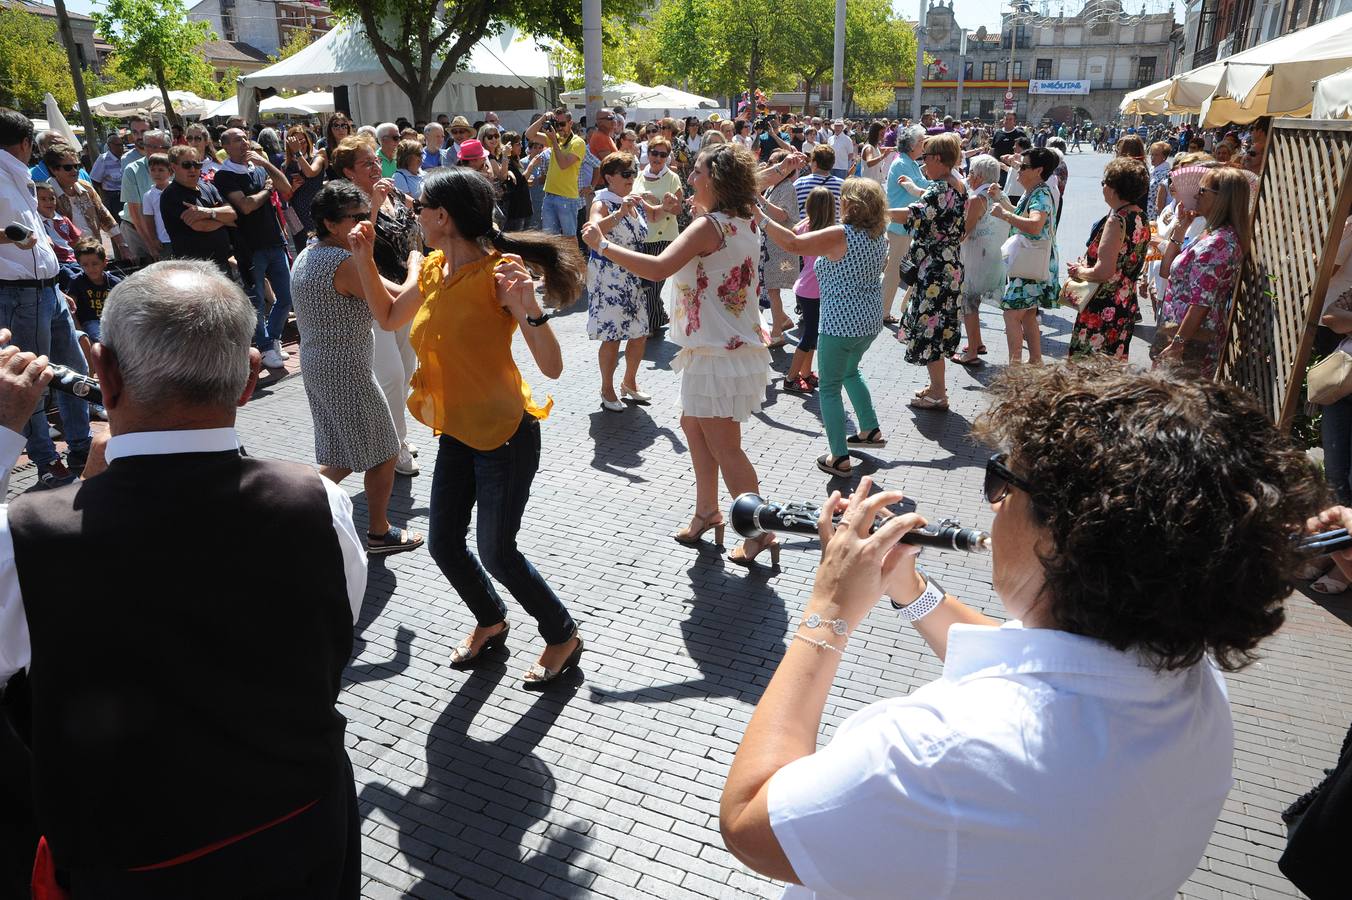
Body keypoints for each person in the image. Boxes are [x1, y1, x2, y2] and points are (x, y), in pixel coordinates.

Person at [720, 361, 1324, 900]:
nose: (993, 503)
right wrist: (908, 589)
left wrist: (828, 607)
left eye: (1003, 481)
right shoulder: (1191, 680)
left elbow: (749, 822)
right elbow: (1036, 663)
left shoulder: (938, 753)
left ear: (1062, 534)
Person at [0, 260, 366, 898]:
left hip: (135, 866)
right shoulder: (318, 500)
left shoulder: (25, 538)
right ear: (251, 380)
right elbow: (331, 628)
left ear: (103, 371)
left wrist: (4, 434)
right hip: (304, 828)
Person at [348, 167, 587, 686]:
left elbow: (551, 367)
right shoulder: (434, 268)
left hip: (506, 433)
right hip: (457, 430)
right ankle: (491, 619)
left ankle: (561, 634)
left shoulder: (501, 274)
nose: (415, 213)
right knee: (444, 544)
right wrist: (364, 260)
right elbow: (389, 316)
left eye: (422, 206)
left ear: (443, 216)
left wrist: (530, 309)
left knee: (498, 551)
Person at [582, 144, 774, 567]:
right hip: (719, 345)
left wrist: (603, 244)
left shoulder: (710, 225)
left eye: (698, 172)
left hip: (717, 349)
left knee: (727, 447)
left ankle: (760, 530)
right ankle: (707, 511)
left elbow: (657, 268)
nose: (690, 179)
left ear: (716, 180)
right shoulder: (743, 218)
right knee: (693, 426)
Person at [290, 182, 423, 556]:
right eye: (358, 217)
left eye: (368, 215)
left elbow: (389, 293)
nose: (367, 223)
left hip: (320, 364)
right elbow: (396, 305)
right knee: (382, 452)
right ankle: (378, 533)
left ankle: (293, 507)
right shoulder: (343, 262)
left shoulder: (310, 252)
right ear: (331, 224)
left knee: (342, 455)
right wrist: (417, 267)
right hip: (345, 370)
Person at [762, 178, 889, 476]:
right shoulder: (877, 234)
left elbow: (792, 243)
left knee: (829, 389)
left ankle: (839, 457)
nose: (839, 202)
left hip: (840, 324)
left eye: (843, 198)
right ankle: (869, 430)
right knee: (850, 372)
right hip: (868, 322)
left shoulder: (840, 235)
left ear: (852, 204)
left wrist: (760, 218)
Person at [0, 112, 91, 487]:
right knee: (32, 381)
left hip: (46, 290)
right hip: (20, 295)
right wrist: (11, 237)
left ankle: (81, 447)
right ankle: (46, 461)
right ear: (25, 143)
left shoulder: (19, 175)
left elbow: (33, 232)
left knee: (73, 369)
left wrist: (54, 283)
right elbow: (17, 232)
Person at [331, 136, 422, 478]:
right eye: (366, 163)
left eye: (375, 161)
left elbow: (412, 229)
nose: (375, 167)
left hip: (404, 293)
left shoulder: (392, 193)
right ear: (348, 172)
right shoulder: (346, 203)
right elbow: (357, 239)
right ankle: (394, 446)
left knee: (407, 370)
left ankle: (398, 435)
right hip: (371, 295)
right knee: (390, 375)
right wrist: (373, 203)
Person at [890, 132, 966, 411]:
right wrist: (913, 188)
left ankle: (938, 394)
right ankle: (937, 387)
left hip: (934, 270)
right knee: (940, 328)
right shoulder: (956, 184)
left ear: (939, 159)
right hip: (949, 266)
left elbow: (913, 214)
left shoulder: (939, 189)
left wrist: (877, 211)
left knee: (931, 330)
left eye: (926, 158)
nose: (923, 164)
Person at [1154, 166, 1252, 378]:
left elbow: (1201, 303)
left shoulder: (1218, 243)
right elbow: (1166, 270)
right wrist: (1180, 228)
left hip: (1190, 342)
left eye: (1202, 191)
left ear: (1221, 198)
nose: (1196, 195)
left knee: (1177, 403)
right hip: (1181, 333)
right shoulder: (1211, 234)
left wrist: (1178, 345)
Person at [215, 128, 296, 370]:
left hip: (274, 241)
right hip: (250, 247)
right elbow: (246, 206)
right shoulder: (224, 175)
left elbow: (286, 188)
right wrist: (267, 190)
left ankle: (273, 338)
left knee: (286, 296)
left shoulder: (258, 168)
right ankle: (264, 346)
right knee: (257, 301)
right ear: (226, 147)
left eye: (245, 137)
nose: (244, 142)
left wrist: (267, 165)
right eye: (237, 139)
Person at [586, 152, 657, 410]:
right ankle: (607, 388)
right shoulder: (603, 202)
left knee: (639, 333)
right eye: (626, 174)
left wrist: (667, 205)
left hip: (633, 275)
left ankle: (630, 383)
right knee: (613, 336)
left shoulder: (631, 200)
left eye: (633, 173)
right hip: (609, 278)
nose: (631, 178)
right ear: (609, 177)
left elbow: (655, 219)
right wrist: (620, 212)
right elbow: (592, 231)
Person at [1066, 157, 1151, 361]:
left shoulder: (1117, 221)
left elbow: (1104, 272)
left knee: (1087, 369)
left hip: (1103, 305)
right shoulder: (1141, 216)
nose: (1102, 186)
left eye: (1104, 182)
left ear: (1114, 189)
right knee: (1111, 366)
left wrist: (1078, 271)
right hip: (1124, 303)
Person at [989, 147, 1061, 365]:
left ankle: (1015, 367)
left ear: (1039, 170)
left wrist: (1005, 215)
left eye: (1024, 166)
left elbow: (1035, 224)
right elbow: (1021, 214)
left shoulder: (1040, 194)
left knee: (1011, 313)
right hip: (1030, 261)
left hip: (1031, 263)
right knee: (1028, 314)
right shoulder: (1035, 191)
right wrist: (1000, 198)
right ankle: (1035, 360)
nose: (1018, 169)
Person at [952, 154, 1006, 367]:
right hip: (992, 254)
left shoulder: (977, 199)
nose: (969, 177)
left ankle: (972, 351)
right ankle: (978, 343)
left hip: (976, 256)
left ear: (980, 176)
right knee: (972, 302)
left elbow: (965, 230)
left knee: (968, 302)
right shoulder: (998, 195)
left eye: (972, 173)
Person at [778, 187, 833, 395]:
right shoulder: (827, 232)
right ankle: (791, 378)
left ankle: (806, 372)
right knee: (810, 335)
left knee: (812, 333)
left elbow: (791, 235)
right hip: (814, 290)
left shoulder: (805, 226)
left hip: (805, 286)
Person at [159, 145, 238, 276]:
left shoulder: (208, 187)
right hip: (195, 270)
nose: (193, 169)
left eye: (197, 164)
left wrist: (207, 213)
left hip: (221, 263)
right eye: (186, 165)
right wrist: (223, 219)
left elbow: (232, 214)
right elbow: (201, 225)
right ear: (174, 167)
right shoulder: (171, 194)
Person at [882, 125, 930, 327]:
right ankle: (883, 312)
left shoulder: (908, 162)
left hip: (904, 225)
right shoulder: (903, 163)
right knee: (893, 271)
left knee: (896, 270)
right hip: (900, 226)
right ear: (912, 145)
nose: (924, 145)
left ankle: (888, 310)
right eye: (921, 141)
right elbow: (919, 188)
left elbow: (919, 183)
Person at [756, 149, 805, 347]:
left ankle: (777, 333)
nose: (769, 166)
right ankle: (782, 320)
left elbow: (783, 216)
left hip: (779, 247)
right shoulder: (774, 186)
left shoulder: (786, 188)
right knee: (770, 287)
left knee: (773, 289)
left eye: (774, 163)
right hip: (770, 246)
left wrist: (759, 200)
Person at [636, 135, 684, 337]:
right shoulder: (638, 176)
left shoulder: (672, 178)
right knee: (644, 283)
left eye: (662, 154)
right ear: (648, 153)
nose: (657, 158)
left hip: (664, 236)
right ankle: (658, 317)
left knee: (652, 283)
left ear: (667, 157)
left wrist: (659, 203)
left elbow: (679, 210)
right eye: (654, 152)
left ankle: (648, 325)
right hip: (642, 235)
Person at [526, 109, 587, 238]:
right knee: (549, 238)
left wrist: (554, 141)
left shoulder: (578, 142)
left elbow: (563, 164)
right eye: (556, 124)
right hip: (549, 195)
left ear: (571, 123)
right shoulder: (556, 138)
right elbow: (529, 135)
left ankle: (575, 259)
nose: (558, 128)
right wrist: (543, 118)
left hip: (567, 197)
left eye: (562, 124)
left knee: (569, 238)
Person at [119, 128, 171, 261]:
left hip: (166, 232)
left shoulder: (173, 166)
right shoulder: (132, 170)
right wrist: (150, 243)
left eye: (156, 146)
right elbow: (136, 213)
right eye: (148, 145)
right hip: (137, 231)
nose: (150, 150)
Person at [68, 241, 118, 341]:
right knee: (100, 338)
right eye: (85, 265)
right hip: (90, 322)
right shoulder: (76, 282)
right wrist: (79, 331)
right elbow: (70, 310)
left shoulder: (114, 282)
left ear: (104, 262)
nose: (90, 268)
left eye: (95, 264)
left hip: (111, 321)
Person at [89, 130, 125, 218]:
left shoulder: (124, 158)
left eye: (121, 145)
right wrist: (104, 193)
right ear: (110, 146)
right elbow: (94, 179)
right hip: (113, 198)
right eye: (118, 145)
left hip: (125, 195)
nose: (121, 147)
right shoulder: (103, 159)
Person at [990, 112, 1027, 188]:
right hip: (997, 169)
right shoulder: (998, 133)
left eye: (1010, 119)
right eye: (1006, 119)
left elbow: (1026, 151)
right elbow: (992, 149)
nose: (1007, 121)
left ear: (1014, 121)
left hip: (1013, 170)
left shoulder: (1020, 134)